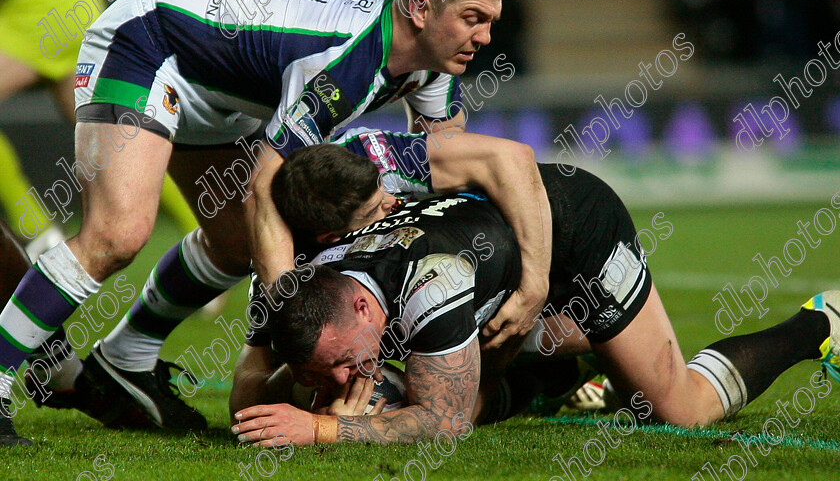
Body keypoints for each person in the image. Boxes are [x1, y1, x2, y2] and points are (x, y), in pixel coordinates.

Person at [0, 0, 509, 442]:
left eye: (490, 21)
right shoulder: (345, 60)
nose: (485, 37)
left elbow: (448, 170)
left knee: (238, 244)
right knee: (118, 233)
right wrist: (291, 325)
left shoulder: (428, 56)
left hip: (219, 83)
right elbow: (263, 188)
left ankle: (123, 361)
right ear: (420, 8)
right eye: (473, 18)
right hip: (147, 41)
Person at [228, 159, 840, 446]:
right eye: (324, 369)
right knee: (396, 392)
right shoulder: (290, 285)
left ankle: (817, 324)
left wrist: (323, 426)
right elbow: (247, 392)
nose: (337, 377)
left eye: (340, 359)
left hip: (570, 226)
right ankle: (575, 366)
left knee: (675, 408)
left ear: (364, 311)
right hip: (489, 261)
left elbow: (446, 423)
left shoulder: (430, 282)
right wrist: (304, 391)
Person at [0, 0, 253, 258]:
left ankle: (36, 231)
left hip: (46, 8)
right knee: (122, 138)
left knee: (123, 136)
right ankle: (208, 235)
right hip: (44, 9)